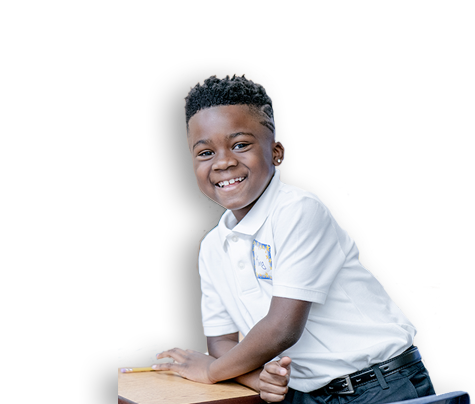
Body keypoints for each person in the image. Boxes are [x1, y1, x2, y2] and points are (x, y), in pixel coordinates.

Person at [150, 72, 439, 404]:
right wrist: (255, 378)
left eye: (241, 144)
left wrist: (211, 371)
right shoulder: (214, 247)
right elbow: (221, 343)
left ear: (276, 153)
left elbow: (281, 329)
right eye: (205, 153)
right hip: (306, 393)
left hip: (380, 385)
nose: (224, 162)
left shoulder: (299, 209)